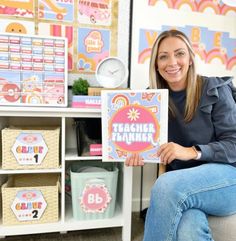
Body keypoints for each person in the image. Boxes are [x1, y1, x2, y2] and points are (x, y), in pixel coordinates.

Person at [125, 29, 236, 241]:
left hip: (228, 178)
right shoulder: (151, 100)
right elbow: (152, 145)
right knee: (189, 228)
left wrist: (191, 152)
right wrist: (138, 152)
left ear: (190, 59)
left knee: (166, 185)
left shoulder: (215, 89)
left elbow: (234, 145)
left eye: (179, 53)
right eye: (163, 56)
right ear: (156, 65)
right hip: (185, 188)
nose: (172, 62)